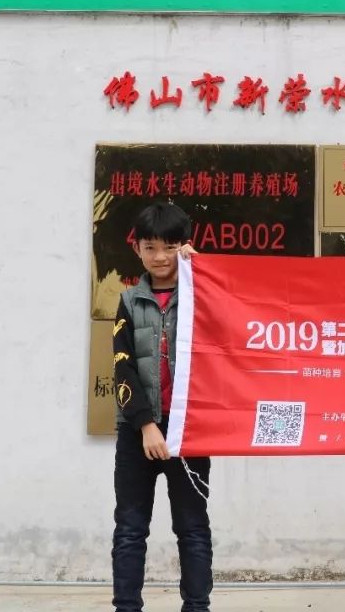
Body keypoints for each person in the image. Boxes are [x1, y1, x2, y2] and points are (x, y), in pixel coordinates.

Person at [112, 201, 212, 612]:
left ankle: (197, 607)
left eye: (170, 247)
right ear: (137, 249)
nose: (159, 257)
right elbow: (122, 368)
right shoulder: (129, 301)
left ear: (184, 246)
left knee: (192, 528)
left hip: (189, 432)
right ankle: (126, 607)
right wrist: (146, 425)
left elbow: (228, 329)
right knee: (130, 529)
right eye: (150, 247)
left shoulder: (202, 295)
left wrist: (202, 273)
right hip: (138, 433)